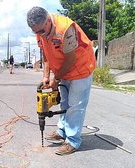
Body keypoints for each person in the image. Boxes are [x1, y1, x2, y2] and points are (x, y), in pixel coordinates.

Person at [27, 6, 96, 155]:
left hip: (80, 68)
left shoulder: (65, 28)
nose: (38, 34)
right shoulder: (40, 31)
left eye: (40, 31)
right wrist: (46, 76)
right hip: (63, 70)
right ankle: (62, 131)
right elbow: (45, 53)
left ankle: (72, 141)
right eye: (35, 32)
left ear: (47, 21)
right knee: (64, 103)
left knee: (75, 106)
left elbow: (71, 60)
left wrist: (56, 79)